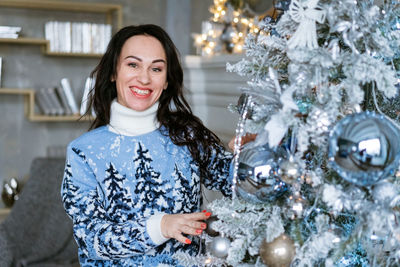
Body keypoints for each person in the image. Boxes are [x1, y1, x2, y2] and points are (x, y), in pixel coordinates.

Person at [61, 24, 234, 266]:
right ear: (113, 72)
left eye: (156, 68)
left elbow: (233, 182)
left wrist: (250, 153)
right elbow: (91, 239)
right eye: (133, 64)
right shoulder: (83, 151)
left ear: (166, 81)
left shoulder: (188, 135)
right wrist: (160, 226)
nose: (144, 78)